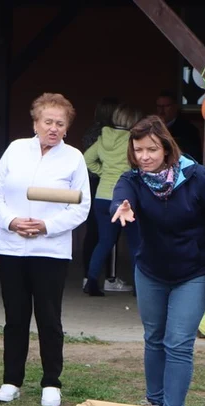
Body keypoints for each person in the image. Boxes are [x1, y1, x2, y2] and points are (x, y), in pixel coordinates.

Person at [110, 116, 205, 406]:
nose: (145, 156)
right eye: (138, 150)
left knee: (178, 342)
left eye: (151, 149)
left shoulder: (197, 177)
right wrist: (122, 206)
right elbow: (122, 195)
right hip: (150, 271)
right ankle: (154, 405)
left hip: (193, 272)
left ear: (166, 147)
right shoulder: (132, 180)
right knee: (155, 338)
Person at [0, 93, 91, 406]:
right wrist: (11, 221)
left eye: (60, 123)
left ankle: (51, 383)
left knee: (48, 317)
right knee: (15, 317)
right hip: (13, 246)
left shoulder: (74, 158)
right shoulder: (16, 149)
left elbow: (82, 205)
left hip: (51, 249)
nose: (53, 128)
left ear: (67, 128)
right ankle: (11, 381)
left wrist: (47, 226)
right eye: (48, 122)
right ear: (36, 122)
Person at [82, 103, 142, 296]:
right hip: (127, 196)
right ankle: (139, 286)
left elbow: (87, 159)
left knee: (104, 241)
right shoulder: (134, 140)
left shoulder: (103, 138)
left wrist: (103, 172)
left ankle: (91, 282)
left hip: (102, 195)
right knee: (135, 242)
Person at [156, 90, 202, 162]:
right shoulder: (153, 128)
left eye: (166, 106)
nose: (162, 110)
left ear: (175, 107)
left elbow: (192, 157)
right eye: (159, 106)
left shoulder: (188, 130)